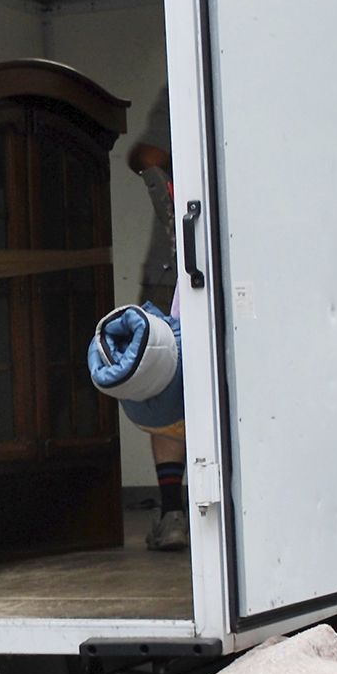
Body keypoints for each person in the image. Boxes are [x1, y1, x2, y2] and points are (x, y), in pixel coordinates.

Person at [127, 90, 187, 551]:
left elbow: (146, 154)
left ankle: (175, 515)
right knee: (163, 388)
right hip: (173, 273)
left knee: (164, 389)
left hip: (182, 272)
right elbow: (147, 155)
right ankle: (174, 513)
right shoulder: (183, 85)